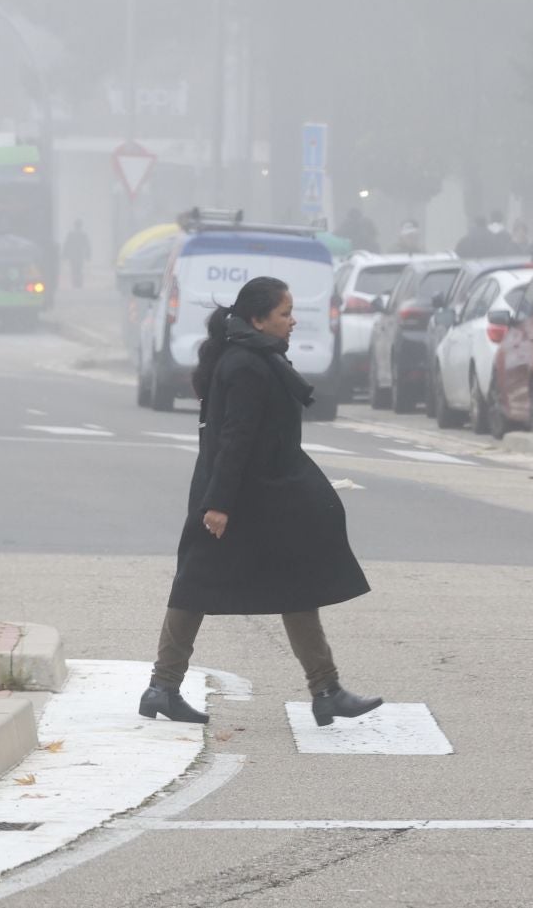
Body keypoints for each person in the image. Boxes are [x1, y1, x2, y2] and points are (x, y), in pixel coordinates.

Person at [139, 276, 382, 728]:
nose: (293, 322)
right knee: (195, 585)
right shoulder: (247, 365)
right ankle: (163, 687)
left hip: (258, 495)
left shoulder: (259, 358)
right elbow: (234, 439)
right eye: (285, 313)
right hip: (238, 498)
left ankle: (325, 690)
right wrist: (218, 504)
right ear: (258, 319)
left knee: (293, 583)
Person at [62, 219, 92, 289]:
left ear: (75, 225)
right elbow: (87, 245)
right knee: (79, 269)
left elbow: (66, 245)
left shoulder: (71, 234)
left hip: (73, 256)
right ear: (80, 226)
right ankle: (79, 283)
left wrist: (64, 255)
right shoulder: (83, 235)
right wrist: (88, 255)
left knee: (74, 269)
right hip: (80, 255)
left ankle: (75, 283)